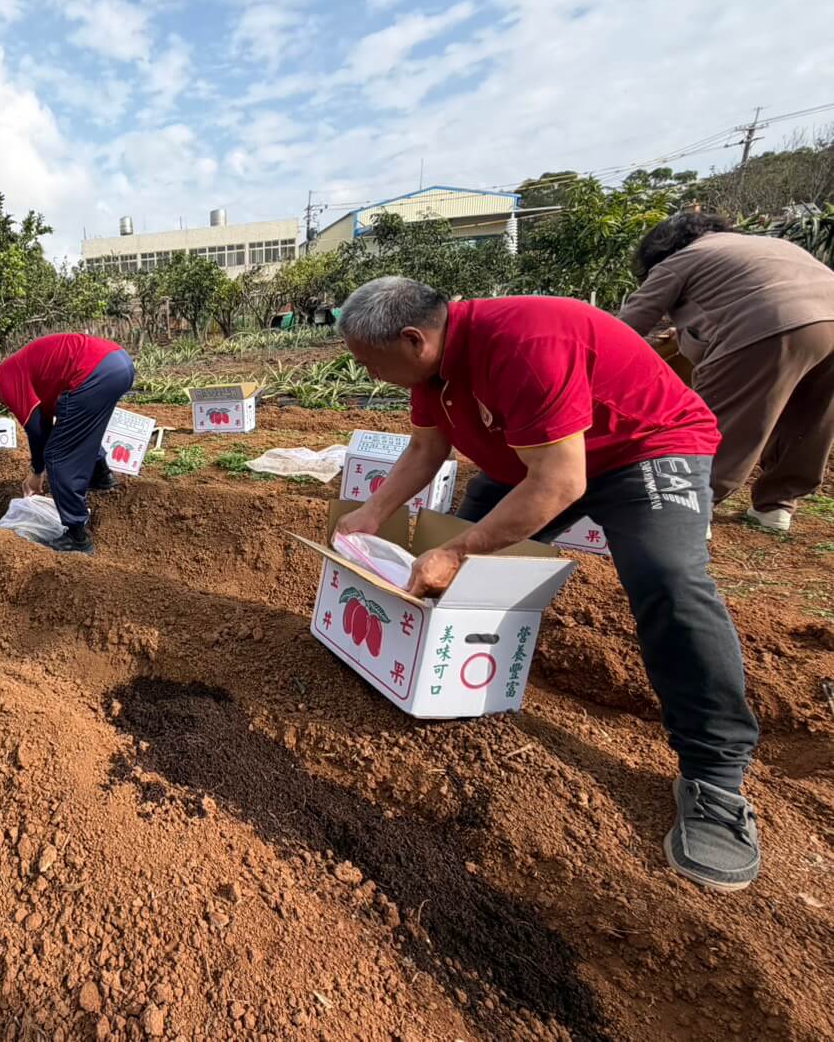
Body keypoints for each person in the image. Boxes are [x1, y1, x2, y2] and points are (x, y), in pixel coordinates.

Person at [335, 276, 761, 892]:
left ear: (413, 339)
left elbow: (559, 485)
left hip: (643, 450)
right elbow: (428, 449)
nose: (371, 377)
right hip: (534, 465)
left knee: (668, 582)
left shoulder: (525, 342)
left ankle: (715, 778)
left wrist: (458, 550)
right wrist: (374, 512)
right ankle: (437, 677)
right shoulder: (430, 369)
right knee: (440, 566)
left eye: (372, 365)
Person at [618, 212, 834, 532]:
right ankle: (776, 508)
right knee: (809, 421)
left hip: (766, 325)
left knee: (714, 423)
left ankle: (691, 507)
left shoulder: (682, 259)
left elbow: (622, 330)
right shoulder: (768, 245)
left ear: (662, 249)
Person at [0, 333, 135, 555]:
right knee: (77, 432)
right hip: (119, 362)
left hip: (92, 373)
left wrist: (37, 472)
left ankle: (77, 536)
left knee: (58, 456)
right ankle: (102, 476)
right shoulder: (20, 366)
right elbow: (45, 421)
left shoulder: (8, 380)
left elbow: (36, 430)